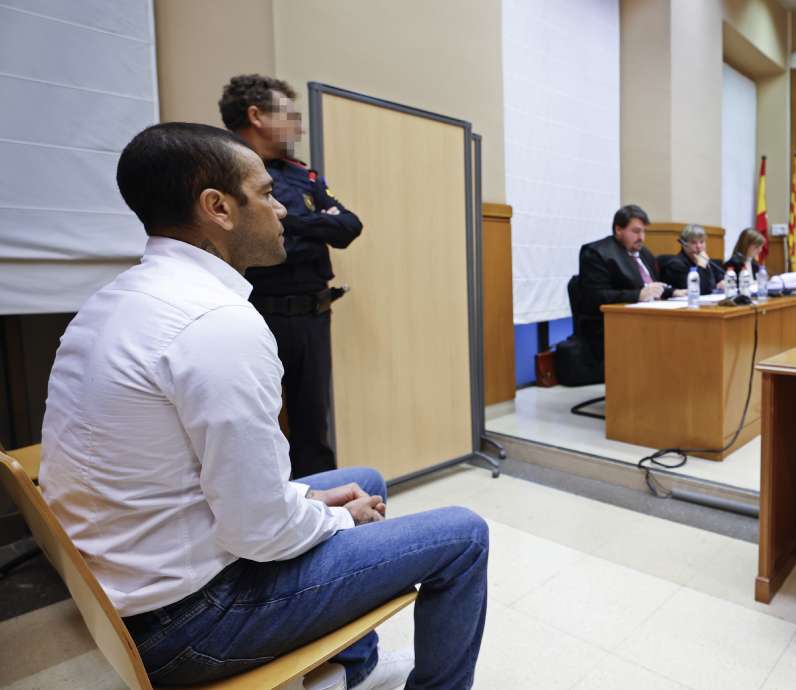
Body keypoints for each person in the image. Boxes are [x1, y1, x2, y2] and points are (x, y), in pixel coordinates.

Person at [38, 123, 487, 690]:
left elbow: (205, 483)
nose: (282, 211)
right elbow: (258, 532)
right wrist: (332, 515)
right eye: (268, 193)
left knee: (362, 479)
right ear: (218, 207)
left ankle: (350, 669)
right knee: (463, 535)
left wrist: (316, 501)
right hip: (185, 625)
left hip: (124, 592)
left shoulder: (116, 299)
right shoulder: (216, 324)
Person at [220, 74, 362, 478]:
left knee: (313, 427)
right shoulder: (223, 169)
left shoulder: (303, 175)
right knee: (254, 425)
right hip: (256, 314)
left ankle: (328, 515)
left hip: (313, 313)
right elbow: (251, 241)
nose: (298, 125)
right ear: (256, 116)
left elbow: (349, 226)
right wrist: (316, 222)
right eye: (289, 114)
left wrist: (287, 220)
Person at [576, 204, 673, 361]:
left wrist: (673, 292)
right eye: (635, 231)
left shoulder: (643, 253)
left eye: (644, 231)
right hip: (611, 328)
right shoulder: (597, 253)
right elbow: (594, 297)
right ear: (618, 230)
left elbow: (650, 286)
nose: (641, 237)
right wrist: (638, 295)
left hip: (647, 319)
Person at [659, 224, 726, 294]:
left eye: (702, 242)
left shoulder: (707, 261)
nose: (699, 246)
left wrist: (722, 283)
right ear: (684, 244)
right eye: (694, 242)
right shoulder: (675, 265)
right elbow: (698, 290)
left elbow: (721, 279)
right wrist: (701, 266)